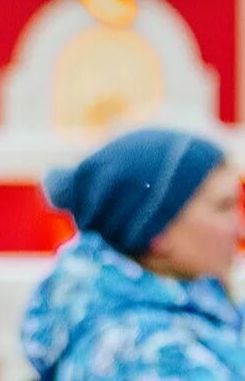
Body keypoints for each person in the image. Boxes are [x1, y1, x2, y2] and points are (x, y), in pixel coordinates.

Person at [22, 128, 245, 380]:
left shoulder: (185, 308)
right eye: (223, 207)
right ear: (158, 231)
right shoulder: (146, 354)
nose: (240, 229)